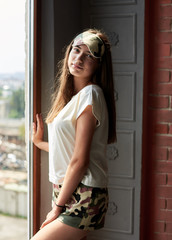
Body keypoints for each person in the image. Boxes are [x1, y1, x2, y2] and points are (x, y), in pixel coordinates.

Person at [31, 28, 116, 240]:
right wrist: (40, 143)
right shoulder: (76, 98)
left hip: (84, 194)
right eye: (76, 50)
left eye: (89, 55)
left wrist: (57, 207)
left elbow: (79, 160)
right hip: (70, 189)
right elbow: (70, 149)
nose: (78, 58)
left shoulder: (90, 95)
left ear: (98, 64)